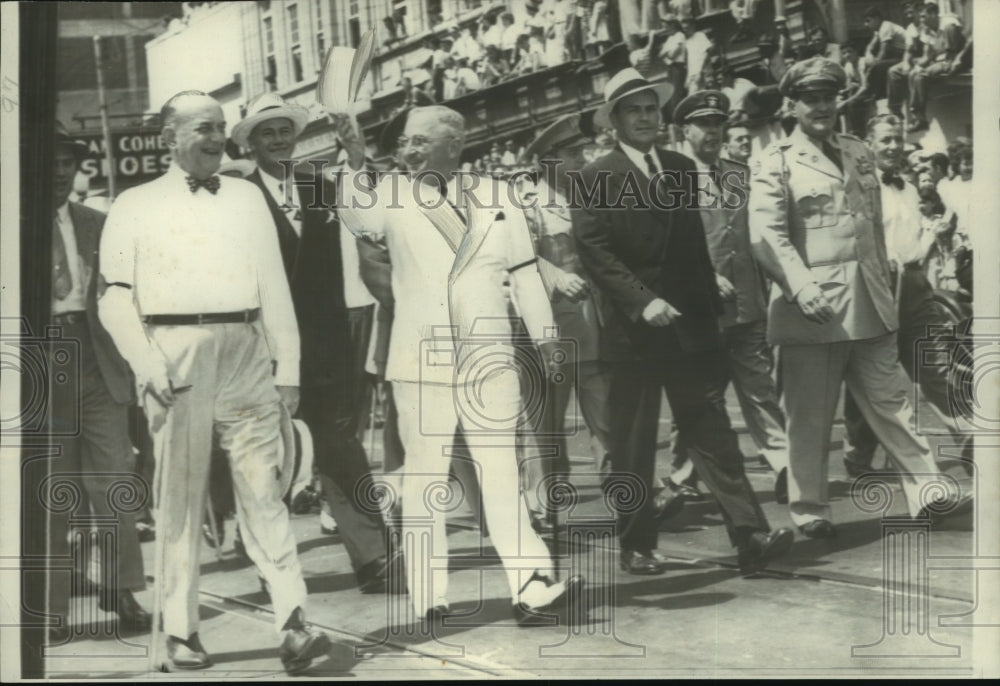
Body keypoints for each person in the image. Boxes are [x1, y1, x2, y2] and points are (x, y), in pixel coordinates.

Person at [98, 91, 329, 673]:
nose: (214, 137)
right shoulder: (134, 203)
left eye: (221, 127)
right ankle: (181, 632)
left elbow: (275, 285)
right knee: (178, 500)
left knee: (264, 490)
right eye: (202, 127)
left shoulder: (248, 197)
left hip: (247, 349)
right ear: (167, 137)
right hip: (175, 353)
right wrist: (148, 367)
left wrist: (289, 369)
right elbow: (114, 300)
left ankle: (294, 623)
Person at [332, 105, 582, 626]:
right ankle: (429, 594)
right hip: (421, 362)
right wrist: (354, 157)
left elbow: (525, 274)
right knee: (425, 478)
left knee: (501, 472)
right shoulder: (393, 195)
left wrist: (548, 340)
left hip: (490, 358)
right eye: (405, 143)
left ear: (454, 144)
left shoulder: (497, 196)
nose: (408, 150)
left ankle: (531, 584)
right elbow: (357, 215)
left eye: (420, 142)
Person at [572, 68, 794, 578]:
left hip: (689, 327)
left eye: (651, 109)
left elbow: (692, 243)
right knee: (633, 445)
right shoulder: (594, 176)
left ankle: (750, 535)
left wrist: (708, 295)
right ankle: (636, 545)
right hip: (634, 332)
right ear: (615, 122)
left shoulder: (677, 167)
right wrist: (641, 301)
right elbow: (596, 253)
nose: (646, 118)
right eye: (634, 111)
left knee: (713, 433)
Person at [748, 58, 970, 538]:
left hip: (871, 303)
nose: (822, 107)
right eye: (812, 99)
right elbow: (766, 235)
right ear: (793, 105)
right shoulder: (775, 160)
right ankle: (810, 509)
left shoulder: (857, 152)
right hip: (812, 311)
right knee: (809, 416)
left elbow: (872, 232)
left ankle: (929, 492)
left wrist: (885, 292)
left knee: (894, 405)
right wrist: (801, 287)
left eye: (828, 97)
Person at [230, 92, 397, 595]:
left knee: (339, 448)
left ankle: (375, 558)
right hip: (263, 348)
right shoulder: (236, 198)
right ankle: (270, 562)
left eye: (285, 130)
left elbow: (370, 223)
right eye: (268, 133)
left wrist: (359, 158)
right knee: (266, 458)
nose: (280, 140)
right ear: (251, 144)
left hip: (324, 346)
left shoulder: (320, 185)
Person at [44, 123, 151, 642]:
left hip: (97, 357)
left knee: (114, 479)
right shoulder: (10, 225)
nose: (60, 171)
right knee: (49, 488)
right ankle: (48, 604)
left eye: (68, 162)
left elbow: (125, 296)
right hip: (39, 364)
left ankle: (121, 587)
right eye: (50, 162)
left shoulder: (97, 223)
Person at [670, 91, 791, 502]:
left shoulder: (740, 174)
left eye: (717, 124)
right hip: (701, 310)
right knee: (703, 395)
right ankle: (683, 473)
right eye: (702, 125)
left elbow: (754, 236)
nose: (712, 132)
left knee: (761, 391)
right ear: (684, 131)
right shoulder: (673, 180)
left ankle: (784, 466)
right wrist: (700, 278)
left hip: (747, 303)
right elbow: (668, 248)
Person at [842, 113, 972, 477]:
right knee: (874, 376)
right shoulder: (859, 186)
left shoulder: (911, 187)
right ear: (868, 143)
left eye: (897, 139)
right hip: (879, 286)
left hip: (915, 287)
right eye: (885, 139)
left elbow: (916, 237)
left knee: (933, 364)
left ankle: (965, 436)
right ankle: (857, 452)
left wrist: (931, 238)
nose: (893, 146)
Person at [520, 112, 615, 495]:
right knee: (547, 423)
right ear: (549, 160)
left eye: (583, 150)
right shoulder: (529, 204)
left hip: (594, 327)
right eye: (573, 152)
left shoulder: (589, 196)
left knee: (606, 415)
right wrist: (559, 277)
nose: (582, 158)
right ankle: (542, 497)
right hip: (554, 333)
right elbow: (522, 260)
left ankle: (623, 487)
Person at [890, 2, 966, 132]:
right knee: (914, 73)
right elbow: (927, 56)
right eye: (920, 17)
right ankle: (919, 117)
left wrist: (926, 68)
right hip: (939, 61)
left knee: (920, 76)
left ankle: (919, 116)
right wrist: (916, 65)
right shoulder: (927, 30)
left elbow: (951, 55)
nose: (921, 20)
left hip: (953, 60)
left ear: (934, 14)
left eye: (924, 17)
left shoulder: (948, 25)